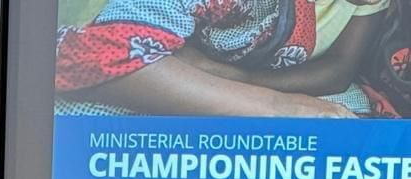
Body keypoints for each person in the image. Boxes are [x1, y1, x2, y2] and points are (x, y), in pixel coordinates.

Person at [55, 0, 385, 117]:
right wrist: (280, 108)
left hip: (267, 81)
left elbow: (339, 70)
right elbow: (101, 55)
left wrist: (234, 79)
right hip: (170, 71)